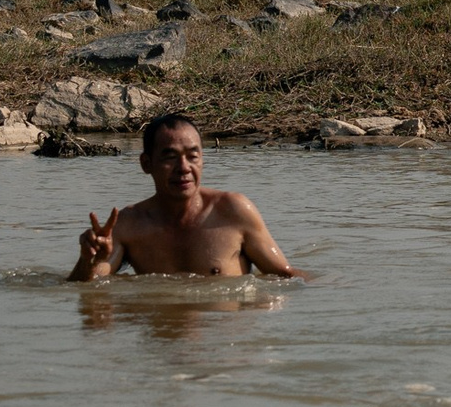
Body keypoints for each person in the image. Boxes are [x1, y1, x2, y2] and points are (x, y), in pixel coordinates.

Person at [68, 113, 302, 281]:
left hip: (224, 342)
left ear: (203, 160)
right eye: (170, 157)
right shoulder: (127, 224)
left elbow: (287, 276)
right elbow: (86, 290)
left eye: (192, 156)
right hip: (158, 344)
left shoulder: (233, 210)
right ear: (146, 163)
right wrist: (89, 260)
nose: (184, 167)